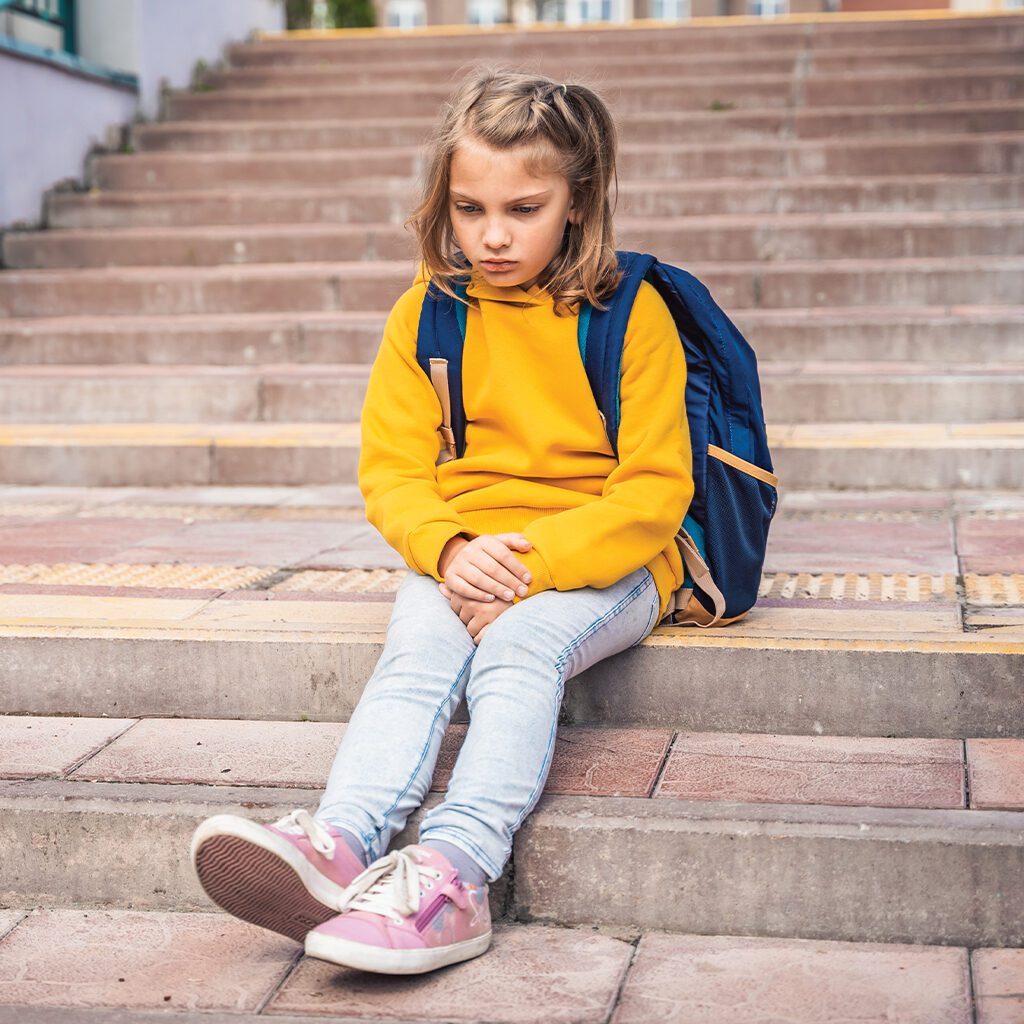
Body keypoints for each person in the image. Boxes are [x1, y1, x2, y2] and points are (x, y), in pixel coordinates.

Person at [190, 66, 693, 977]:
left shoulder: (632, 314)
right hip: (462, 554)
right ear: (443, 203)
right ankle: (343, 843)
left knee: (516, 652)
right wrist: (454, 549)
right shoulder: (428, 312)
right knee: (416, 656)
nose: (492, 236)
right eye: (469, 209)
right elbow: (392, 469)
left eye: (523, 209)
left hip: (606, 561)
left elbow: (655, 490)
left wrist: (528, 567)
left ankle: (457, 874)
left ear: (578, 201)